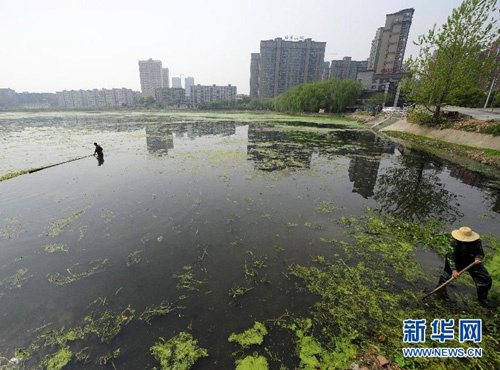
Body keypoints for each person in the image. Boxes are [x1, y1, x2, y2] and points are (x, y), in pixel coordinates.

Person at [437, 226, 496, 308]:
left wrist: (478, 258)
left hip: (471, 261)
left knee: (484, 279)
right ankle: (440, 290)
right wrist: (454, 270)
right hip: (456, 260)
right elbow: (451, 256)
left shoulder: (477, 242)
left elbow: (480, 253)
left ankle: (482, 299)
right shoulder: (453, 242)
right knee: (447, 275)